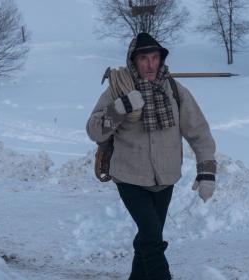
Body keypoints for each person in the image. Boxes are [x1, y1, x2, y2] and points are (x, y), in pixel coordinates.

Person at [86, 32, 217, 280]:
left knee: (147, 240)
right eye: (144, 58)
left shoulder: (175, 90)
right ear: (133, 61)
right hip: (129, 179)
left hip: (165, 180)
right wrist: (121, 107)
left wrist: (206, 170)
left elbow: (198, 131)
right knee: (153, 240)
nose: (150, 64)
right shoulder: (118, 89)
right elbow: (93, 130)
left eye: (155, 57)